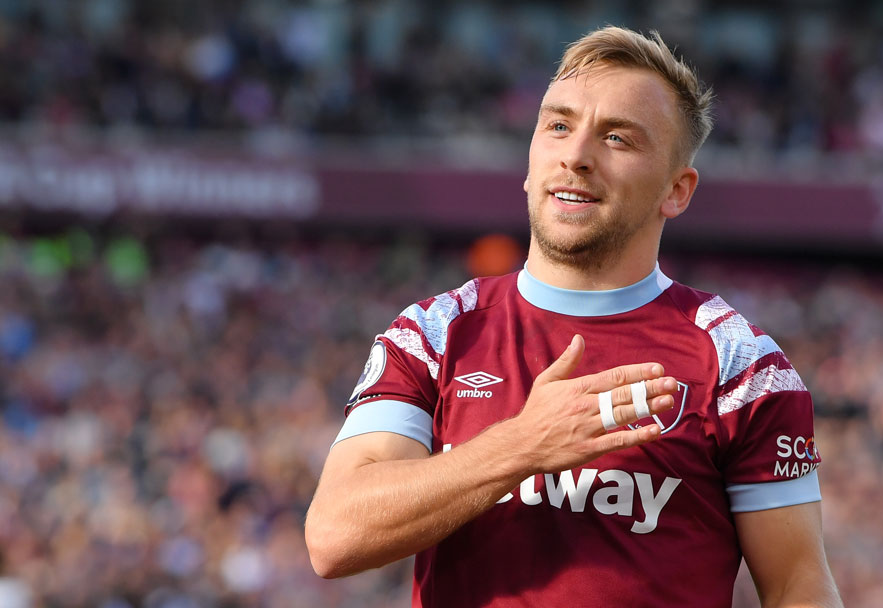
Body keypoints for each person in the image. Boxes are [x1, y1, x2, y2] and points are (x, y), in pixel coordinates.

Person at [306, 26, 842, 607]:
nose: (576, 156)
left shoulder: (741, 363)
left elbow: (799, 587)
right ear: (531, 160)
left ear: (677, 190)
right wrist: (524, 446)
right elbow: (335, 537)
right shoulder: (434, 333)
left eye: (617, 138)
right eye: (558, 126)